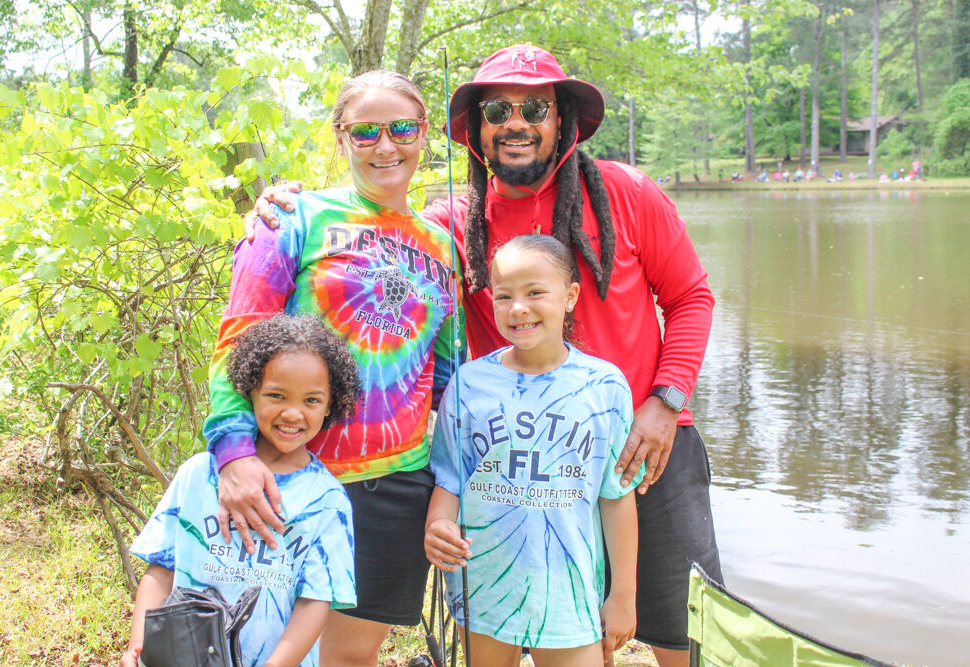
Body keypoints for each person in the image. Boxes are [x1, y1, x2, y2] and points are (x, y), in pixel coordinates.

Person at [250, 45, 722, 667]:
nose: (516, 122)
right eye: (498, 109)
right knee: (562, 624)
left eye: (535, 108)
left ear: (564, 122)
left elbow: (691, 296)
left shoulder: (626, 191)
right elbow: (379, 227)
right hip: (520, 459)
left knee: (677, 627)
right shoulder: (454, 222)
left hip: (642, 442)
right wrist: (287, 209)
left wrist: (666, 402)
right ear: (476, 129)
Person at [208, 70, 462, 666]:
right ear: (340, 138)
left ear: (424, 134)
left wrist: (452, 487)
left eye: (402, 128)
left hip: (395, 487)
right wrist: (235, 455)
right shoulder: (291, 219)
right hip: (289, 477)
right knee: (265, 648)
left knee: (349, 657)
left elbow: (447, 375)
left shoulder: (442, 245)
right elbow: (238, 339)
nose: (386, 145)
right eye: (365, 131)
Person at [426, 235, 640, 667]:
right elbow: (451, 478)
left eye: (535, 292)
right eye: (503, 296)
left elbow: (616, 498)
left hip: (568, 592)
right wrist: (437, 524)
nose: (518, 308)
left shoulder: (606, 386)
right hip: (482, 584)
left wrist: (623, 596)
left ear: (570, 297)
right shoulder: (468, 384)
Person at [119, 314, 361, 667]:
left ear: (330, 405)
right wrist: (139, 647)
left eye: (311, 400)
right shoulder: (198, 475)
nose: (293, 413)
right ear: (250, 390)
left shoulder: (328, 500)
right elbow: (161, 570)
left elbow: (315, 600)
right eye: (276, 395)